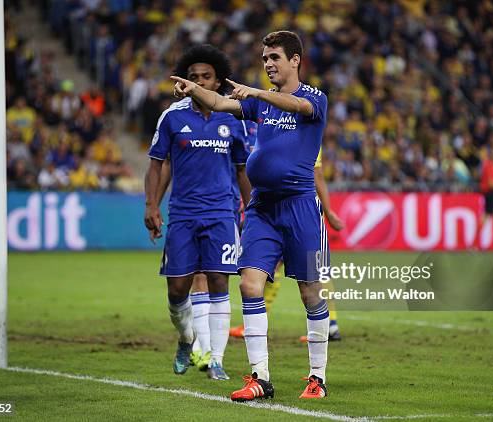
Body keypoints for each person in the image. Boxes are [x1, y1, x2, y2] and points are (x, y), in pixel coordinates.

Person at [172, 30, 330, 400]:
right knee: (249, 285)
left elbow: (298, 108)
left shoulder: (314, 98)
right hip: (262, 208)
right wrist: (193, 90)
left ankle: (317, 378)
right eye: (264, 59)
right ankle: (260, 377)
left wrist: (258, 93)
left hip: (303, 208)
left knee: (310, 293)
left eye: (274, 57)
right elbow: (220, 101)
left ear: (295, 60)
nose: (268, 64)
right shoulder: (261, 103)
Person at [145, 44, 251, 380]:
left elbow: (242, 169)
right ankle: (187, 339)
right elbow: (158, 166)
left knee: (220, 280)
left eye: (206, 76)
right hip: (183, 214)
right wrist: (152, 205)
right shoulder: (173, 116)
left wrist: (254, 209)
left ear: (218, 81)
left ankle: (216, 359)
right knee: (177, 289)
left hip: (222, 213)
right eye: (193, 77)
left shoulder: (233, 118)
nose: (199, 82)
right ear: (184, 81)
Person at [229, 147, 345, 342]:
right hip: (292, 209)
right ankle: (330, 324)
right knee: (307, 268)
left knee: (311, 271)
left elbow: (317, 175)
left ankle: (329, 325)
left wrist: (329, 211)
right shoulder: (292, 131)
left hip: (299, 210)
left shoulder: (306, 131)